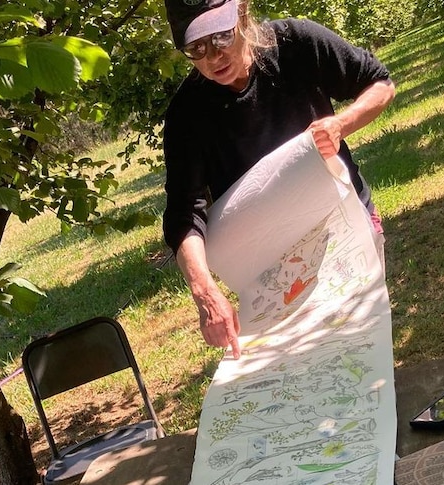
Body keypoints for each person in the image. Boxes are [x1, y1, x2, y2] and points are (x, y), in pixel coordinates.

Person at [162, 0, 395, 359]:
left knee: (360, 346)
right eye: (197, 48)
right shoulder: (186, 115)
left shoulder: (296, 42)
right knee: (297, 364)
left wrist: (340, 124)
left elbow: (379, 83)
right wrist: (205, 291)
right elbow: (183, 216)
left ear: (242, 14)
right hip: (267, 264)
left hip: (344, 230)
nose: (213, 57)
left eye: (223, 36)